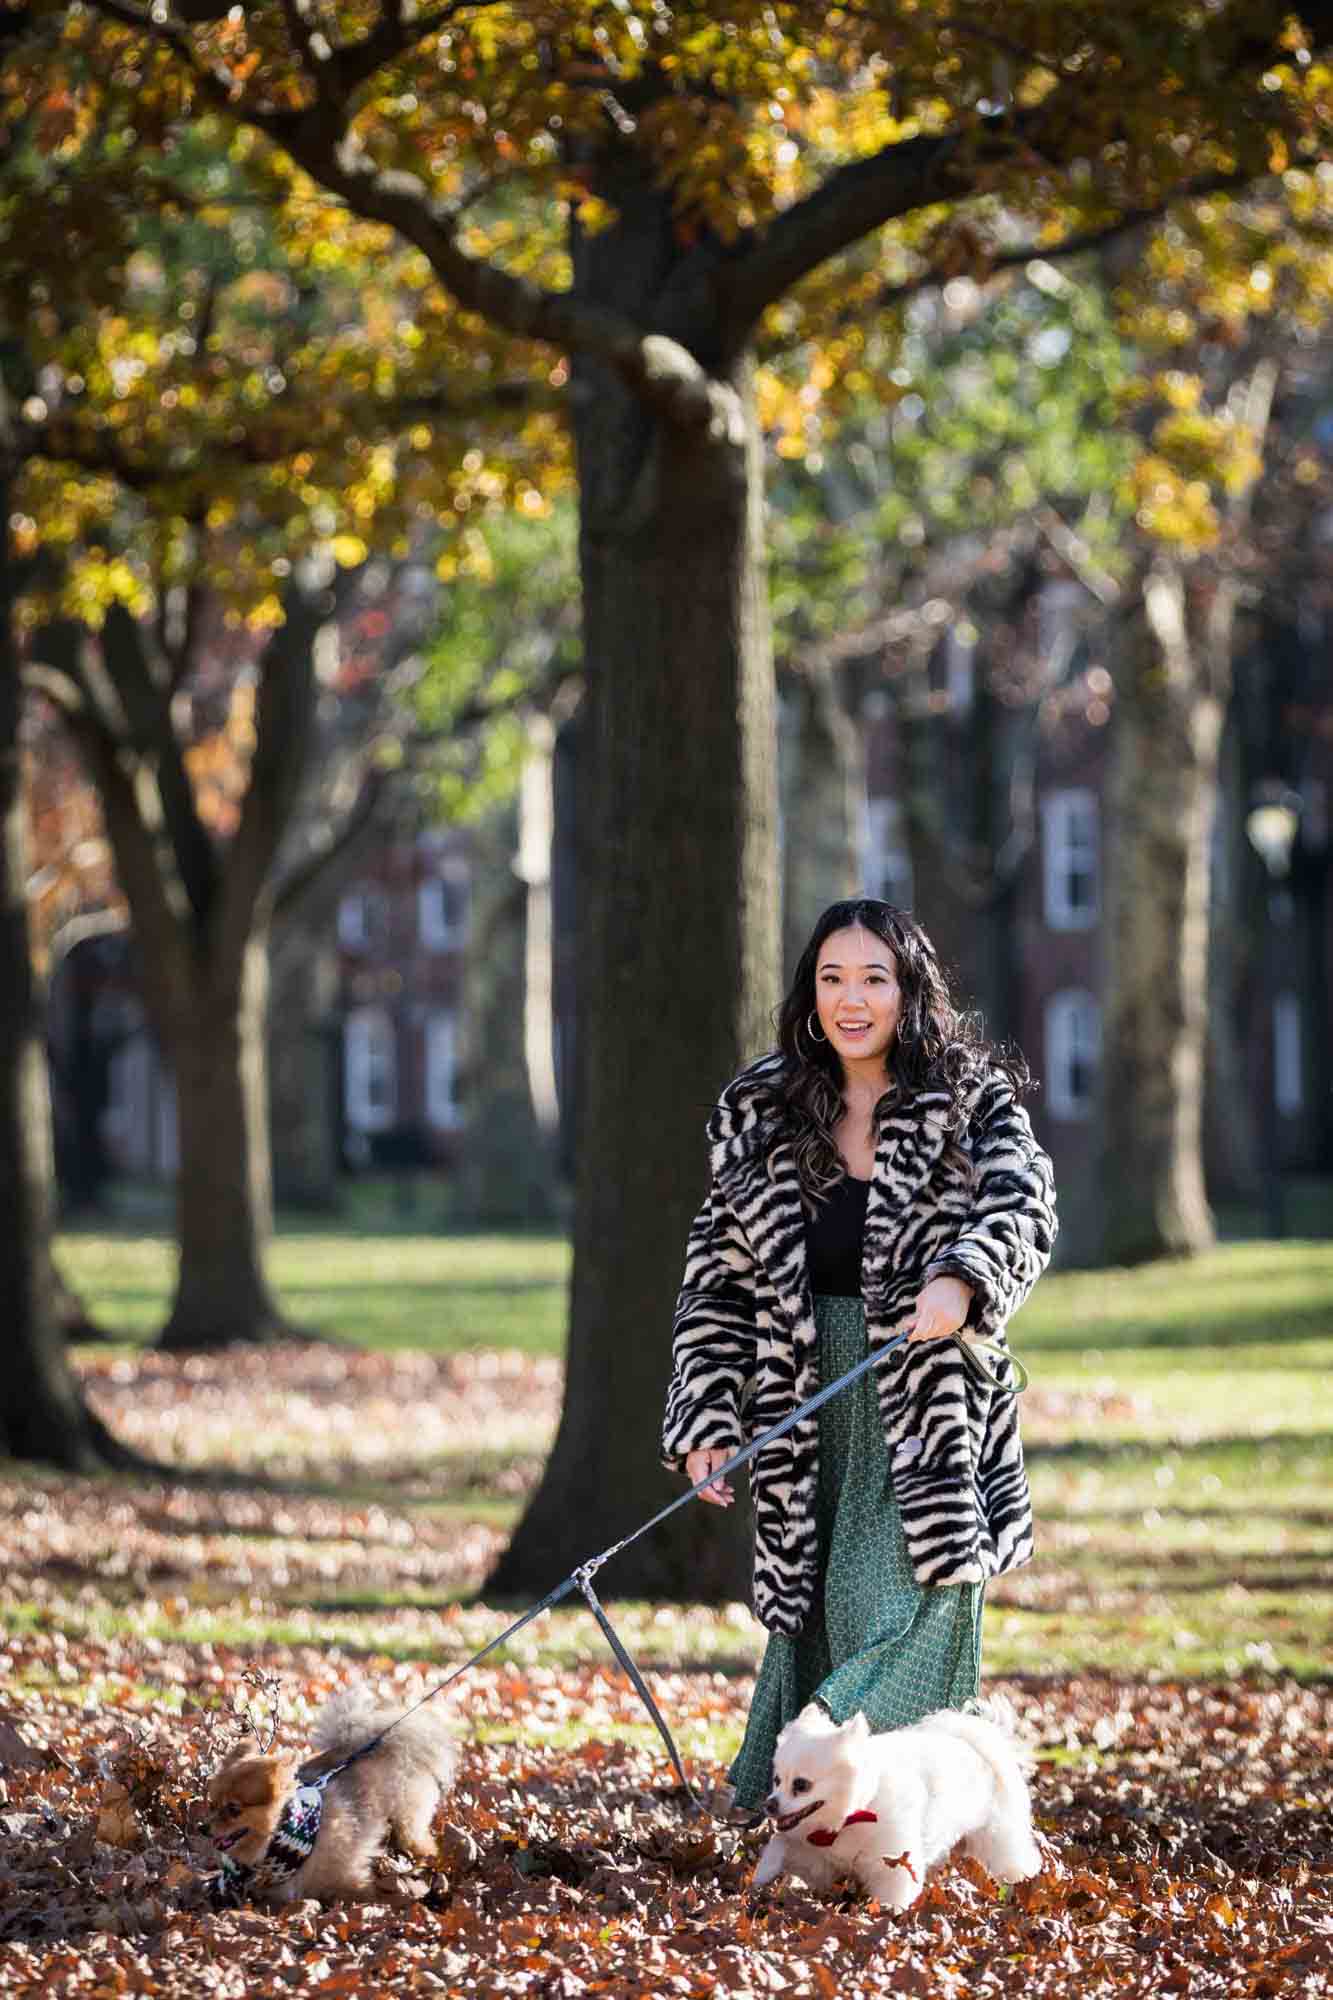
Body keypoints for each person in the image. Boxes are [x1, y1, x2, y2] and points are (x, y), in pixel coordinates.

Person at [660, 899, 1057, 1816]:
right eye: (832, 979)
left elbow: (1023, 1207)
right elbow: (716, 1279)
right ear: (808, 995)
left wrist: (965, 1276)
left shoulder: (970, 1100)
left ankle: (873, 1800)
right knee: (815, 1611)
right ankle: (806, 1811)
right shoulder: (759, 1110)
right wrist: (708, 1416)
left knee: (896, 1598)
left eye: (873, 978)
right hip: (805, 1398)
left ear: (908, 991)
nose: (851, 999)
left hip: (928, 1397)